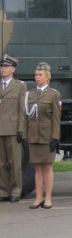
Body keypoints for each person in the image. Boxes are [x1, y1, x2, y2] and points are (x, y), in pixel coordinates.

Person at [24, 62, 61, 209]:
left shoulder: (54, 94)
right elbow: (27, 117)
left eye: (40, 75)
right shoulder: (30, 94)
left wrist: (55, 137)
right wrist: (26, 135)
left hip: (47, 136)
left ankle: (48, 198)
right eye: (36, 75)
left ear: (47, 77)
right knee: (37, 168)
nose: (37, 77)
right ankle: (38, 198)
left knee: (47, 167)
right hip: (34, 136)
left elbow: (56, 118)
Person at [1, 55, 27, 203]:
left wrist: (20, 130)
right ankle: (3, 191)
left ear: (13, 69)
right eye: (1, 66)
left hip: (12, 129)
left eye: (6, 66)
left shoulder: (19, 86)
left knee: (15, 162)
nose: (3, 68)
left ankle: (16, 191)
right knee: (1, 163)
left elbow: (21, 109)